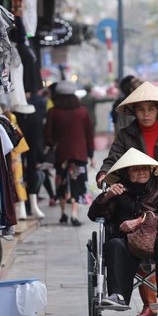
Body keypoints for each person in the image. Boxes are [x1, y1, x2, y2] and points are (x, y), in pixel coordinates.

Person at [96, 81, 158, 316]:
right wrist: (103, 177)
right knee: (124, 242)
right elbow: (111, 161)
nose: (147, 114)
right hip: (133, 200)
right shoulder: (126, 135)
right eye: (141, 109)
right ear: (134, 112)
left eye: (151, 109)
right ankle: (146, 303)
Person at [88, 148, 158, 311]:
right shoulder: (118, 189)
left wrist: (140, 221)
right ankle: (117, 295)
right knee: (114, 244)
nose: (141, 172)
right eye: (135, 169)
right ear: (126, 172)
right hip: (129, 240)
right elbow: (94, 215)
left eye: (144, 168)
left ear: (151, 169)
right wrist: (107, 196)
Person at [45, 81, 95, 226]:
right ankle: (74, 215)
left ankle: (63, 214)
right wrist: (91, 155)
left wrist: (52, 144)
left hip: (61, 155)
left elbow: (48, 135)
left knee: (61, 182)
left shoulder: (53, 112)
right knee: (76, 184)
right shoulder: (82, 111)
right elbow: (89, 135)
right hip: (79, 154)